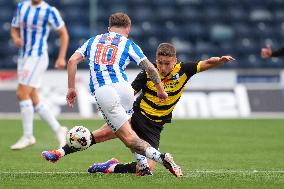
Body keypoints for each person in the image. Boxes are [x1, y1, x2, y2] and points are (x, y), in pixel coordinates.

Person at [42, 42, 234, 176]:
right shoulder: (147, 74)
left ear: (175, 60)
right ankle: (58, 152)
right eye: (160, 63)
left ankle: (110, 167)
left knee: (146, 169)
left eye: (167, 63)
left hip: (155, 127)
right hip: (136, 117)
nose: (163, 67)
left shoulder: (185, 70)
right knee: (97, 136)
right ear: (156, 60)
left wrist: (220, 60)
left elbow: (206, 63)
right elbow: (128, 94)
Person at [42, 12, 182, 177]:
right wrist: (160, 89)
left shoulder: (93, 41)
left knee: (128, 137)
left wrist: (71, 88)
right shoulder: (128, 43)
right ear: (128, 29)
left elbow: (72, 61)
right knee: (124, 131)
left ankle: (162, 158)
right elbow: (150, 68)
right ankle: (143, 167)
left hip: (104, 91)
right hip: (125, 89)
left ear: (109, 28)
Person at [10, 0, 69, 150]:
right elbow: (14, 28)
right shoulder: (21, 7)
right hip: (23, 57)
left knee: (21, 93)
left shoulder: (49, 11)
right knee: (34, 98)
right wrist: (16, 38)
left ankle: (28, 136)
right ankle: (59, 130)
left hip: (37, 57)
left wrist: (61, 57)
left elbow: (63, 34)